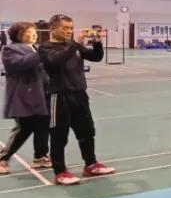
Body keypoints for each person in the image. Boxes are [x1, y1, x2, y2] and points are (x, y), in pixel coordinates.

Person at [38, 15, 114, 185]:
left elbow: (96, 57)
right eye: (65, 28)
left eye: (71, 28)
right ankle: (60, 172)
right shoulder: (45, 48)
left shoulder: (73, 46)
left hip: (79, 95)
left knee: (87, 131)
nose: (69, 31)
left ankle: (91, 165)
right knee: (59, 136)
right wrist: (75, 43)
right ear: (52, 28)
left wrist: (96, 42)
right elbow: (56, 62)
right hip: (59, 96)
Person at [1, 22, 50, 174]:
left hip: (42, 94)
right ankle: (3, 158)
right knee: (24, 127)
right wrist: (41, 53)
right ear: (18, 35)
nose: (33, 34)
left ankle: (40, 157)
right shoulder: (10, 50)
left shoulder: (35, 48)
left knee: (43, 125)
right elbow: (20, 63)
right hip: (22, 96)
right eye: (29, 32)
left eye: (34, 31)